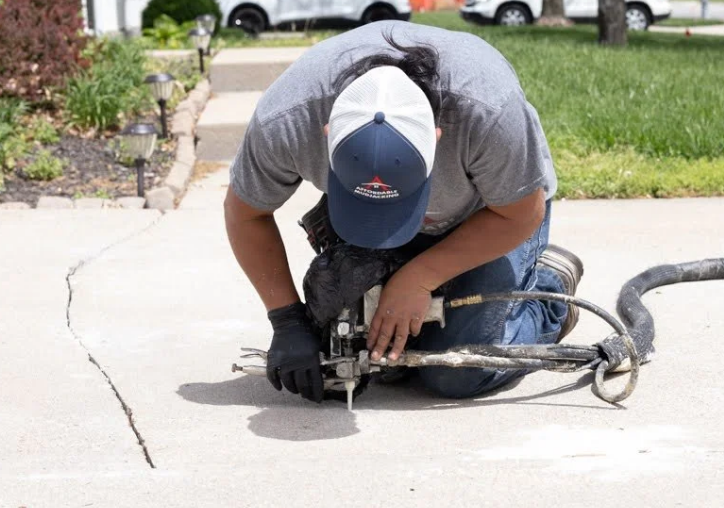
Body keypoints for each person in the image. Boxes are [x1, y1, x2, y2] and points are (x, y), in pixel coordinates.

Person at [223, 20, 583, 403]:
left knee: (455, 372)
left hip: (491, 215)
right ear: (327, 134)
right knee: (354, 332)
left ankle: (548, 289)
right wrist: (287, 320)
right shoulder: (287, 121)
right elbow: (245, 214)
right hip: (470, 206)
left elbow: (521, 213)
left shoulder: (488, 112)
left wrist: (419, 279)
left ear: (436, 137)